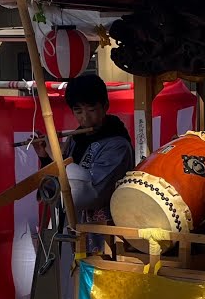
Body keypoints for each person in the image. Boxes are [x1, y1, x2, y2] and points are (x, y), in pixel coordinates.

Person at [35, 73, 134, 224]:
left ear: (105, 106)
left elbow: (88, 194)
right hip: (73, 225)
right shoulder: (74, 140)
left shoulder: (118, 146)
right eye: (78, 111)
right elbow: (56, 190)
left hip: (104, 232)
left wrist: (56, 155)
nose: (85, 118)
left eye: (91, 109)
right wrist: (46, 157)